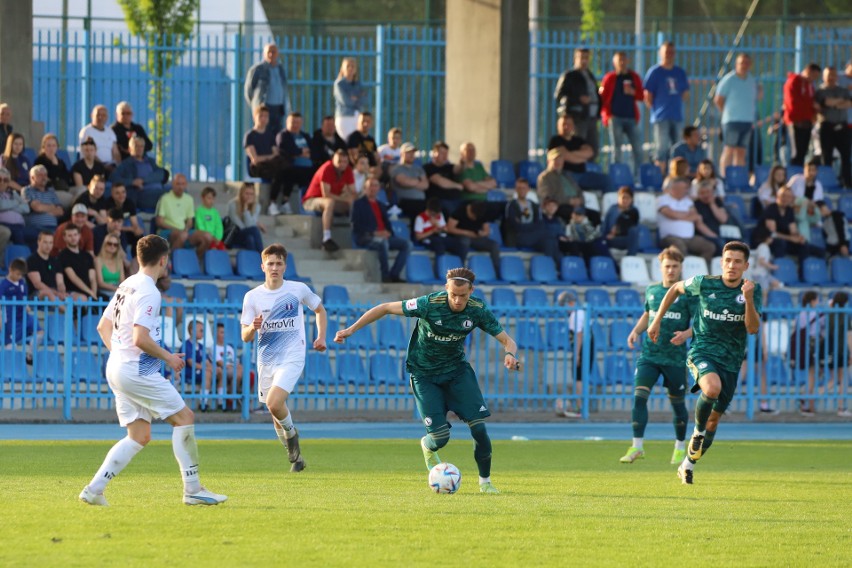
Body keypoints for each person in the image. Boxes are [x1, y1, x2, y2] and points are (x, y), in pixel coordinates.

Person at [334, 267, 521, 494]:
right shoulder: (428, 304)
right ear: (446, 289)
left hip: (457, 372)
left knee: (479, 429)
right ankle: (427, 445)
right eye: (453, 294)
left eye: (463, 295)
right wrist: (351, 329)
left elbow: (507, 340)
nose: (458, 300)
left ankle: (486, 483)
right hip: (424, 375)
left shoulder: (477, 310)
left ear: (471, 291)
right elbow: (384, 308)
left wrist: (510, 355)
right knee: (440, 438)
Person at [79, 234, 227, 507]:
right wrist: (169, 358)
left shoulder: (126, 284)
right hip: (136, 371)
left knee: (139, 436)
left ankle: (94, 489)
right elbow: (140, 338)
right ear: (164, 260)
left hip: (117, 367)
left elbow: (103, 327)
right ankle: (193, 489)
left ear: (137, 258)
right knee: (185, 417)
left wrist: (121, 357)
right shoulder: (149, 290)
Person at [648, 241, 761, 485]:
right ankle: (697, 433)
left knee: (714, 420)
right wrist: (656, 320)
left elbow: (752, 329)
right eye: (728, 260)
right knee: (711, 389)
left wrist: (749, 299)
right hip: (702, 352)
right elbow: (675, 289)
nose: (732, 265)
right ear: (721, 262)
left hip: (731, 361)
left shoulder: (752, 290)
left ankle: (687, 464)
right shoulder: (703, 283)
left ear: (746, 265)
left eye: (737, 261)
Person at [240, 243, 328, 473]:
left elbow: (320, 310)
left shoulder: (297, 289)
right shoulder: (252, 297)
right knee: (274, 412)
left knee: (274, 403)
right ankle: (297, 458)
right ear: (262, 266)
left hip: (292, 355)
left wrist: (320, 337)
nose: (275, 267)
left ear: (285, 266)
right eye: (270, 263)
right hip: (267, 359)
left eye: (279, 263)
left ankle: (293, 436)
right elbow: (245, 336)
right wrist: (252, 327)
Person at [620, 246, 695, 465]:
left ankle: (680, 447)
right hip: (650, 355)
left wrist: (687, 334)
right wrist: (635, 331)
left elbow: (701, 322)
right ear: (660, 267)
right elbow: (647, 314)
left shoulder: (687, 294)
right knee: (639, 397)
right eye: (667, 266)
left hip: (674, 358)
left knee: (678, 405)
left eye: (674, 266)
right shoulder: (652, 291)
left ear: (680, 268)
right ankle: (637, 446)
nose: (671, 270)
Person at [351, 176, 412, 283]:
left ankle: (394, 274)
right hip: (366, 237)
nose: (373, 188)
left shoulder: (381, 205)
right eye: (370, 186)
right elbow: (356, 226)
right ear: (365, 188)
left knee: (407, 244)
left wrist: (389, 233)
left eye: (375, 186)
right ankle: (385, 276)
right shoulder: (358, 204)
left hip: (383, 236)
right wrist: (375, 233)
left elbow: (387, 224)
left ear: (379, 188)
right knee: (383, 243)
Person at [644, 41, 690, 170]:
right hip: (661, 116)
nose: (669, 55)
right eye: (666, 52)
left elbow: (685, 93)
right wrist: (656, 109)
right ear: (660, 53)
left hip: (676, 116)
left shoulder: (679, 72)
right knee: (661, 148)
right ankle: (660, 176)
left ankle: (675, 175)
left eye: (671, 52)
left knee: (678, 148)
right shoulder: (655, 72)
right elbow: (648, 95)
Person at [302, 148, 357, 253]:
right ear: (333, 160)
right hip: (312, 200)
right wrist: (345, 197)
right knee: (330, 202)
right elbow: (326, 194)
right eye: (339, 161)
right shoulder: (327, 168)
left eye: (345, 162)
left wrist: (349, 197)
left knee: (355, 203)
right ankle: (326, 238)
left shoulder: (348, 170)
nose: (342, 164)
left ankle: (357, 236)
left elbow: (353, 192)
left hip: (333, 199)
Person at [599, 51, 644, 173]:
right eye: (619, 60)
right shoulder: (610, 78)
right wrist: (605, 116)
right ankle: (616, 174)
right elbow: (602, 97)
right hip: (615, 117)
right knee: (616, 149)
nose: (622, 63)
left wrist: (633, 92)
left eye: (624, 60)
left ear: (628, 61)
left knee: (637, 148)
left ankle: (638, 175)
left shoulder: (634, 77)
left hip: (630, 117)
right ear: (615, 63)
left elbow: (642, 95)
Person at [714, 53, 758, 173]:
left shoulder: (751, 80)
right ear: (736, 64)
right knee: (729, 149)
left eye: (747, 63)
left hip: (747, 121)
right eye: (741, 63)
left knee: (741, 151)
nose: (744, 65)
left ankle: (737, 178)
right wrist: (727, 113)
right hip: (731, 121)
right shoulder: (729, 79)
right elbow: (718, 99)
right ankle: (724, 176)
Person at [553, 48, 601, 157]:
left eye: (586, 58)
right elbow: (559, 95)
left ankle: (588, 170)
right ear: (575, 59)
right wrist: (578, 99)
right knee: (578, 146)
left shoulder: (590, 76)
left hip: (591, 117)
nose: (584, 61)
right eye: (581, 57)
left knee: (592, 149)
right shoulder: (569, 76)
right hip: (578, 117)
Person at [502, 177, 561, 265]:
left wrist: (526, 226)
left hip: (533, 237)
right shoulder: (511, 205)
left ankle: (552, 268)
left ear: (528, 189)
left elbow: (539, 223)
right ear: (515, 189)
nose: (522, 190)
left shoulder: (534, 205)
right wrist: (532, 226)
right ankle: (558, 267)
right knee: (547, 234)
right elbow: (516, 226)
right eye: (519, 188)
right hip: (519, 237)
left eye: (524, 188)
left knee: (550, 242)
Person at [656, 177, 715, 264]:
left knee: (709, 247)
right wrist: (686, 215)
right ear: (675, 189)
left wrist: (678, 215)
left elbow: (695, 216)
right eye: (684, 188)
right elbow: (671, 214)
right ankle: (683, 274)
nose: (687, 190)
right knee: (680, 248)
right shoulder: (662, 199)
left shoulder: (688, 201)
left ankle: (700, 272)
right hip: (670, 237)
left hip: (690, 238)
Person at [155, 174, 212, 262]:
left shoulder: (189, 199)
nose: (180, 187)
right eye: (178, 184)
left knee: (208, 236)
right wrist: (177, 230)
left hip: (184, 231)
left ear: (186, 185)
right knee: (183, 235)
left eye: (183, 184)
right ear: (173, 184)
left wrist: (186, 229)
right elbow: (160, 222)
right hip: (167, 231)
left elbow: (190, 221)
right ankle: (169, 261)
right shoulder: (165, 198)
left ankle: (192, 261)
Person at [547, 114, 612, 192]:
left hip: (582, 174)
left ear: (573, 126)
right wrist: (581, 157)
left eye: (569, 124)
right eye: (564, 124)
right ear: (558, 126)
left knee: (606, 180)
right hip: (565, 175)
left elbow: (590, 152)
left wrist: (569, 153)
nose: (566, 127)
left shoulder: (578, 140)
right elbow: (564, 156)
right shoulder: (555, 141)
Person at [243, 105, 287, 215]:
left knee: (286, 170)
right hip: (257, 167)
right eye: (260, 116)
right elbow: (255, 159)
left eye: (266, 116)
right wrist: (269, 157)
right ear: (255, 117)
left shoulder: (270, 135)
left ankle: (284, 202)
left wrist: (271, 157)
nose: (263, 119)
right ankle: (272, 204)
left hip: (270, 164)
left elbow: (275, 152)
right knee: (277, 172)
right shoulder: (250, 136)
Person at [555, 291, 592, 418]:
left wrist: (577, 354)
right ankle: (581, 406)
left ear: (570, 303)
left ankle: (580, 407)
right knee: (581, 377)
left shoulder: (575, 315)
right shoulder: (582, 313)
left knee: (578, 378)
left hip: (582, 348)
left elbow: (579, 335)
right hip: (587, 347)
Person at [814, 66, 852, 188]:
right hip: (827, 126)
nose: (831, 78)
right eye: (828, 75)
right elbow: (825, 102)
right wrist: (839, 102)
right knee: (827, 157)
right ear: (823, 77)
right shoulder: (820, 91)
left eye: (833, 75)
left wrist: (833, 103)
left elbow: (849, 103)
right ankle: (827, 182)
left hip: (843, 127)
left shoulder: (843, 90)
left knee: (846, 156)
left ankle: (846, 182)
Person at [110, 134, 170, 211]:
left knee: (182, 192)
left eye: (141, 146)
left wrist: (143, 180)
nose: (139, 149)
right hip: (143, 194)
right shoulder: (126, 164)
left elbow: (162, 174)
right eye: (136, 146)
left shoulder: (150, 161)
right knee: (169, 196)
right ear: (129, 149)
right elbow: (113, 178)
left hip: (159, 189)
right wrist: (132, 182)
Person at [244, 43, 290, 134]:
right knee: (264, 133)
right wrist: (257, 106)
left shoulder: (281, 69)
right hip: (265, 107)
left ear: (277, 53)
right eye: (269, 52)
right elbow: (249, 90)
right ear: (264, 53)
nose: (271, 54)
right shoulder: (258, 69)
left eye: (273, 52)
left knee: (277, 133)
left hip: (279, 108)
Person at [446, 201, 501, 275]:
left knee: (495, 245)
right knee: (465, 241)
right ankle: (460, 268)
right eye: (473, 216)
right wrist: (466, 233)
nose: (475, 219)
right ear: (470, 211)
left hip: (476, 237)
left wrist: (482, 234)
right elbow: (450, 228)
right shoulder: (459, 211)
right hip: (460, 236)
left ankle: (496, 272)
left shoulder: (482, 213)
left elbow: (487, 231)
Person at [275, 111, 315, 212]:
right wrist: (301, 152)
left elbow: (313, 151)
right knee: (291, 173)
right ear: (287, 123)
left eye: (297, 122)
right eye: (292, 122)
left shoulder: (305, 136)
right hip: (292, 166)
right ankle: (285, 201)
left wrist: (304, 153)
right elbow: (285, 149)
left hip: (309, 167)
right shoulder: (283, 135)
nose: (295, 125)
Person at [783, 63, 821, 166]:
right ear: (808, 71)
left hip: (807, 122)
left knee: (803, 152)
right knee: (795, 153)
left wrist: (813, 112)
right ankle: (792, 176)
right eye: (813, 76)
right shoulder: (793, 81)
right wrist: (812, 105)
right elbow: (792, 103)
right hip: (795, 122)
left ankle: (800, 175)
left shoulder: (810, 85)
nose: (814, 79)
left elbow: (810, 101)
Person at [792, 291, 823, 416]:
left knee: (814, 373)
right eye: (817, 299)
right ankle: (806, 400)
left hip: (803, 345)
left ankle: (806, 399)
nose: (819, 302)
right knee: (813, 374)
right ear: (813, 301)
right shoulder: (818, 314)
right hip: (813, 344)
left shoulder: (800, 314)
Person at [23, 165, 64, 244]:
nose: (44, 177)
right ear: (32, 178)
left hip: (53, 228)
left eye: (45, 175)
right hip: (36, 228)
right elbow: (37, 207)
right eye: (40, 175)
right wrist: (52, 207)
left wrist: (43, 207)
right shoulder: (27, 190)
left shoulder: (51, 192)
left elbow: (60, 211)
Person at [825, 291, 851, 417]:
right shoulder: (846, 316)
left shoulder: (829, 314)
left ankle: (808, 397)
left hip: (830, 350)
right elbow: (849, 336)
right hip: (841, 350)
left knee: (834, 380)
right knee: (843, 380)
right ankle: (842, 408)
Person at [1, 258, 37, 346]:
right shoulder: (3, 285)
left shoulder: (22, 283)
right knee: (9, 344)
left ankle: (29, 353)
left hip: (22, 316)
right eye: (17, 274)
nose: (19, 277)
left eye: (21, 275)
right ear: (10, 270)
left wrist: (26, 305)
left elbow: (24, 297)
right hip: (9, 318)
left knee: (38, 330)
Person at [423, 140, 464, 216]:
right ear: (434, 153)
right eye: (442, 153)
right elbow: (440, 182)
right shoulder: (428, 167)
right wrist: (458, 186)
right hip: (439, 201)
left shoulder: (449, 167)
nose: (445, 156)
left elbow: (458, 169)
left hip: (456, 199)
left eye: (446, 153)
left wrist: (463, 161)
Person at [34, 133, 74, 207]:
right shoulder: (39, 161)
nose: (51, 148)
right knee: (72, 199)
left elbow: (67, 177)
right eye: (48, 146)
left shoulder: (60, 161)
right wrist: (55, 165)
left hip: (64, 187)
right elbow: (52, 178)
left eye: (53, 146)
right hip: (50, 191)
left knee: (82, 191)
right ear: (43, 147)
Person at [26, 231, 68, 302]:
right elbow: (37, 284)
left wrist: (62, 292)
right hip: (37, 294)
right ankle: (69, 312)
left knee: (77, 297)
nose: (48, 246)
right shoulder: (31, 260)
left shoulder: (55, 260)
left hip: (54, 293)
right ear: (38, 242)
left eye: (50, 243)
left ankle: (79, 312)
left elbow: (60, 282)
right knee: (48, 293)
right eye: (45, 242)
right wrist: (56, 293)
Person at [58, 224, 97, 301]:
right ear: (64, 238)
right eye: (70, 236)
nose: (73, 238)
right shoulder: (63, 255)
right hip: (72, 292)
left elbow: (92, 278)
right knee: (83, 299)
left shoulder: (87, 255)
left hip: (90, 292)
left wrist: (94, 293)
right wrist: (90, 292)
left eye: (75, 235)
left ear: (79, 236)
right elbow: (73, 277)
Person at [333, 57, 368, 141]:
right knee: (347, 142)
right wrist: (356, 98)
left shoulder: (358, 84)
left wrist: (354, 98)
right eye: (348, 66)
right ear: (343, 68)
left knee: (356, 143)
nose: (350, 68)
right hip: (344, 116)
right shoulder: (339, 84)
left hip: (357, 116)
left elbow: (364, 99)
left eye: (353, 66)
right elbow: (346, 101)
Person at [391, 142, 429, 217]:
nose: (412, 155)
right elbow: (404, 182)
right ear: (401, 154)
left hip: (421, 202)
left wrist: (411, 182)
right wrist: (419, 180)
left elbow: (425, 185)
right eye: (408, 153)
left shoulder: (418, 169)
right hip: (405, 202)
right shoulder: (397, 168)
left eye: (413, 153)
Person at [184, 320, 215, 411]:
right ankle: (203, 403)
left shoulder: (201, 346)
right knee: (208, 373)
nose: (203, 333)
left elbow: (206, 361)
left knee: (219, 372)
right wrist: (207, 368)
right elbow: (191, 363)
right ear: (192, 331)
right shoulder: (187, 345)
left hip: (200, 371)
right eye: (201, 330)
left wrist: (213, 368)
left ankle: (222, 402)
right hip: (189, 373)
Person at [226, 182, 266, 254]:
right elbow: (243, 227)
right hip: (235, 236)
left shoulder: (256, 206)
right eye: (247, 193)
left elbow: (250, 226)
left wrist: (246, 211)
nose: (249, 196)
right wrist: (246, 211)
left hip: (248, 235)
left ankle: (254, 263)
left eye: (251, 194)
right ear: (241, 193)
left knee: (250, 239)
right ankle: (263, 257)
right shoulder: (232, 204)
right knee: (254, 230)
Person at [78, 105, 120, 171]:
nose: (100, 117)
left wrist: (118, 166)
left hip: (110, 166)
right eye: (98, 115)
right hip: (93, 167)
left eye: (103, 115)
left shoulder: (110, 132)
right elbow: (89, 153)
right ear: (92, 116)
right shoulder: (87, 131)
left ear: (107, 117)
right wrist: (103, 166)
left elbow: (116, 152)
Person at [106, 182, 144, 252]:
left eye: (123, 192)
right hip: (111, 232)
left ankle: (137, 259)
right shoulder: (108, 204)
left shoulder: (129, 203)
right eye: (117, 193)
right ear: (112, 194)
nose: (121, 195)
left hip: (124, 230)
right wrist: (130, 229)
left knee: (139, 235)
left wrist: (135, 229)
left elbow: (135, 225)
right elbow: (110, 225)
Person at [213, 322, 242, 411]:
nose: (224, 335)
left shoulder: (229, 348)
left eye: (225, 332)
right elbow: (220, 363)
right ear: (216, 334)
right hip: (223, 370)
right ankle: (232, 398)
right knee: (239, 373)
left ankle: (232, 398)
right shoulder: (213, 348)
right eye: (221, 332)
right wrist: (234, 367)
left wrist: (236, 367)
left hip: (232, 369)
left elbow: (236, 361)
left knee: (244, 371)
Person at [603, 185, 639, 255]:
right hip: (612, 239)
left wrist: (618, 230)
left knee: (634, 232)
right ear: (618, 198)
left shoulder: (634, 211)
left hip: (626, 238)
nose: (625, 200)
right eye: (623, 198)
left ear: (632, 199)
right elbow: (605, 226)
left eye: (627, 198)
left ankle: (630, 258)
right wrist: (606, 236)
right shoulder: (612, 210)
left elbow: (633, 226)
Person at [0, 166, 29, 245]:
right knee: (19, 235)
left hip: (20, 225)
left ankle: (32, 257)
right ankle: (20, 256)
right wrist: (16, 203)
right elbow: (1, 205)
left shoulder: (13, 193)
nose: (2, 182)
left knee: (36, 235)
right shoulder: (15, 199)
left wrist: (9, 206)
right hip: (5, 224)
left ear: (8, 183)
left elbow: (26, 209)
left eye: (5, 180)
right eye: (0, 179)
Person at [95, 233, 125, 299]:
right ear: (105, 244)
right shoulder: (98, 260)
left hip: (118, 290)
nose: (112, 246)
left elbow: (122, 280)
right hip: (104, 291)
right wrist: (117, 289)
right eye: (109, 243)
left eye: (115, 245)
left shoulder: (119, 261)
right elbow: (100, 283)